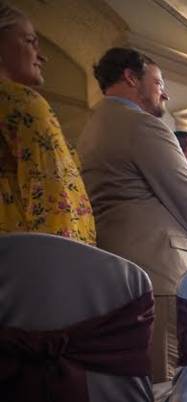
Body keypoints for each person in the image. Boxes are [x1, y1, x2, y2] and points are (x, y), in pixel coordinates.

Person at [78, 47, 187, 383]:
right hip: (160, 274)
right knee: (166, 384)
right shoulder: (142, 125)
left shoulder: (90, 129)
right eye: (158, 82)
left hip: (112, 270)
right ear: (130, 77)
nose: (165, 92)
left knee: (130, 384)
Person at [0, 4, 95, 244]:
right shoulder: (24, 103)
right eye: (30, 41)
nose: (41, 55)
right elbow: (54, 197)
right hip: (27, 259)